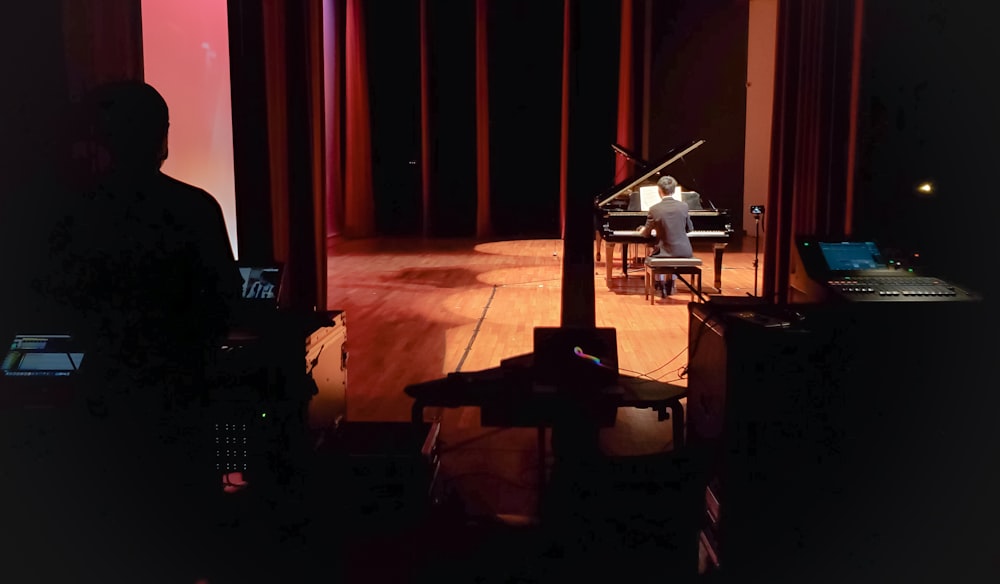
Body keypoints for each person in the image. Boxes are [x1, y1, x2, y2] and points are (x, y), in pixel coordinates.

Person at [637, 175, 694, 294]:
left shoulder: (654, 209)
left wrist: (643, 230)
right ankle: (672, 282)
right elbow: (690, 229)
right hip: (684, 251)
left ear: (659, 190)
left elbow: (646, 234)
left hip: (664, 252)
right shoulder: (684, 206)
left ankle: (660, 283)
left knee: (656, 251)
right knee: (667, 248)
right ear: (674, 190)